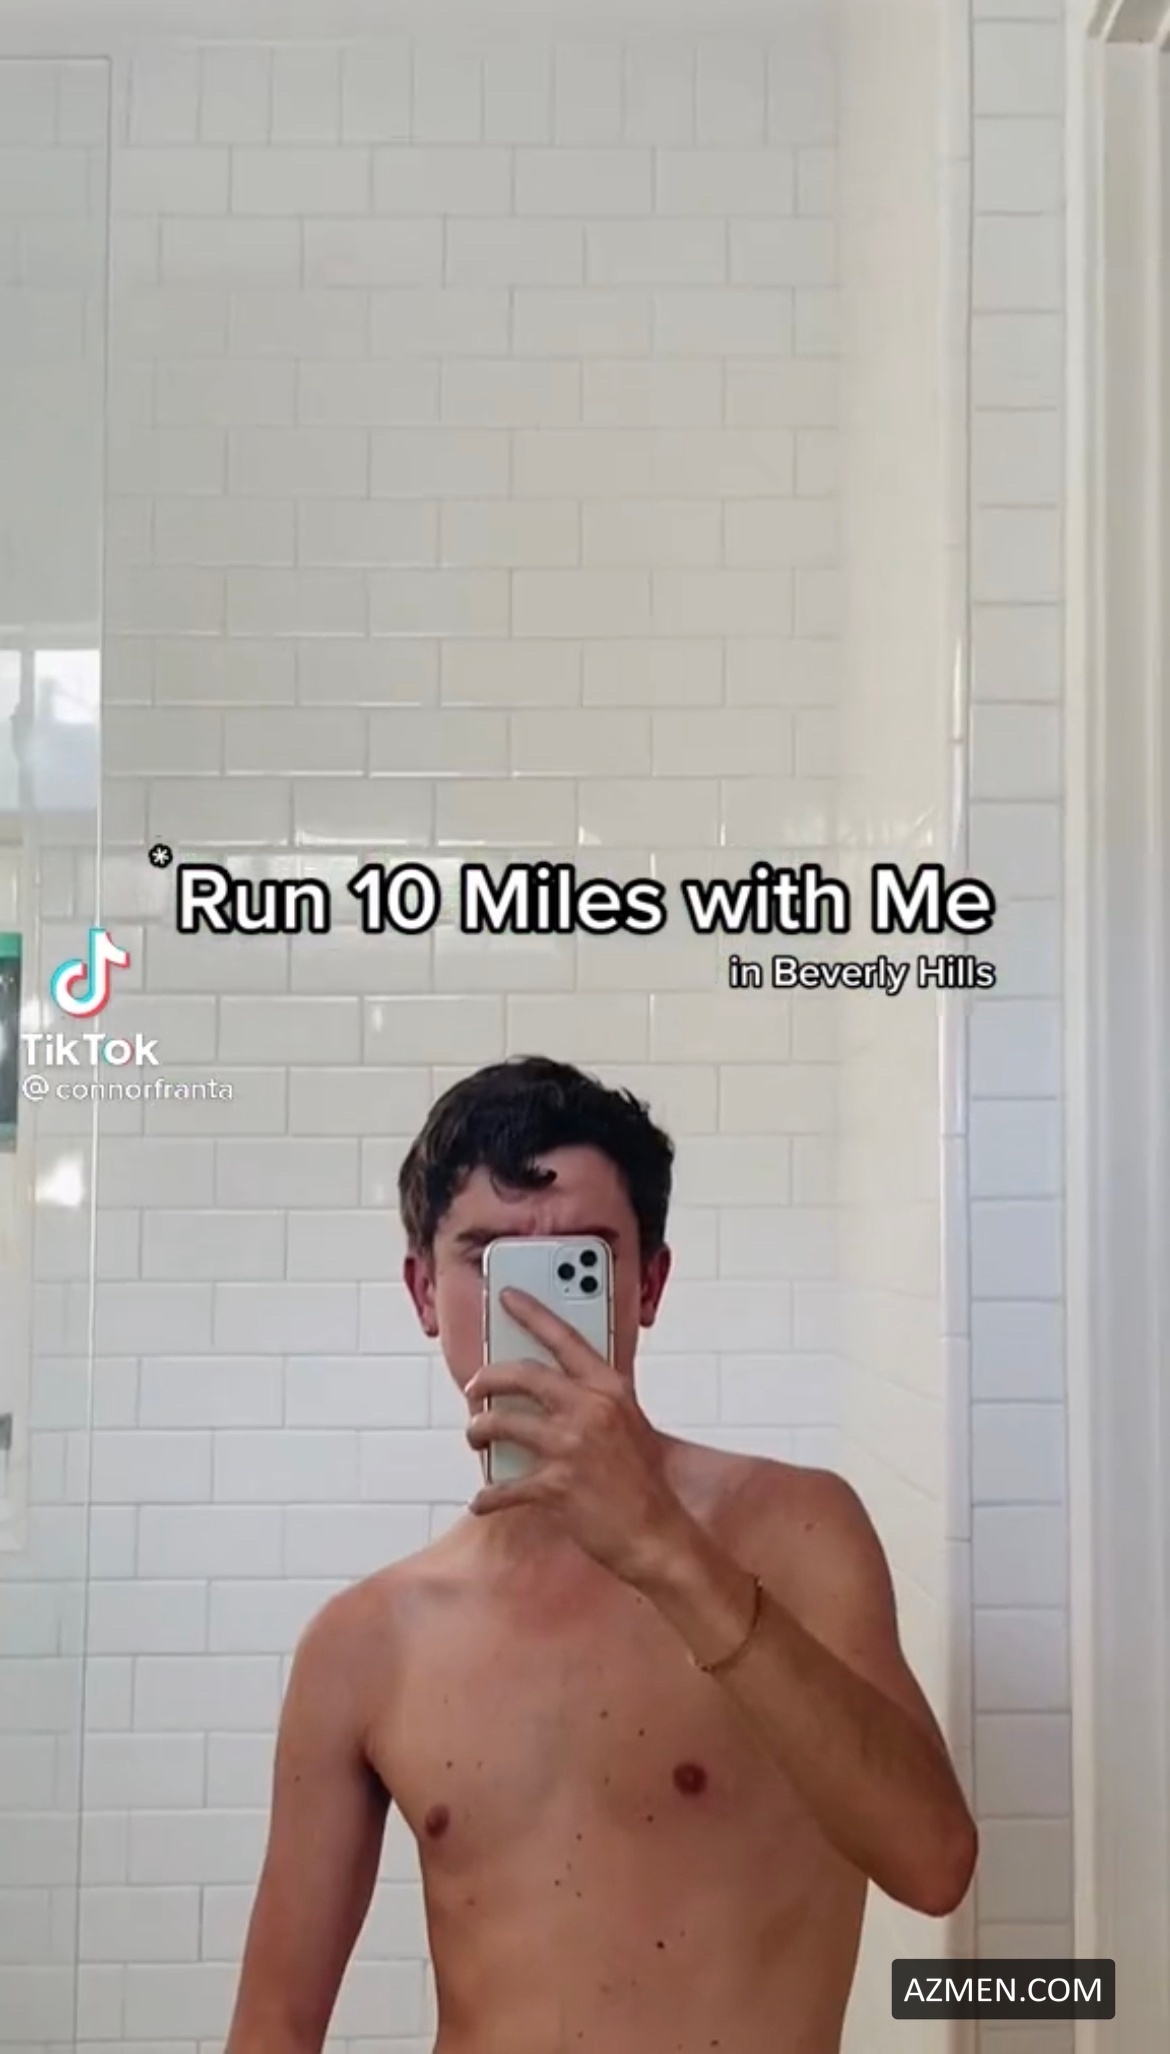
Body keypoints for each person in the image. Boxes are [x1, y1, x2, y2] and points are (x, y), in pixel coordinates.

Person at [223, 1056, 977, 2054]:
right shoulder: (363, 1645)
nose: (533, 1310)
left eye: (578, 1262)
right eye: (490, 1259)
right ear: (424, 1290)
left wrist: (666, 1547)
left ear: (647, 1283)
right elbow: (273, 2024)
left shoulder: (797, 1529)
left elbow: (933, 1863)